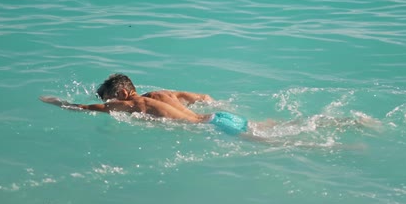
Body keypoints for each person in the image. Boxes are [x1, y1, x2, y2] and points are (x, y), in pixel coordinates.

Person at [39, 73, 249, 135]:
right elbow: (204, 97)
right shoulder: (161, 93)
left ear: (122, 93)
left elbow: (83, 108)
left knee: (265, 142)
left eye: (111, 98)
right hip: (219, 116)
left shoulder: (131, 104)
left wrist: (57, 102)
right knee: (260, 129)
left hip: (211, 126)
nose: (111, 103)